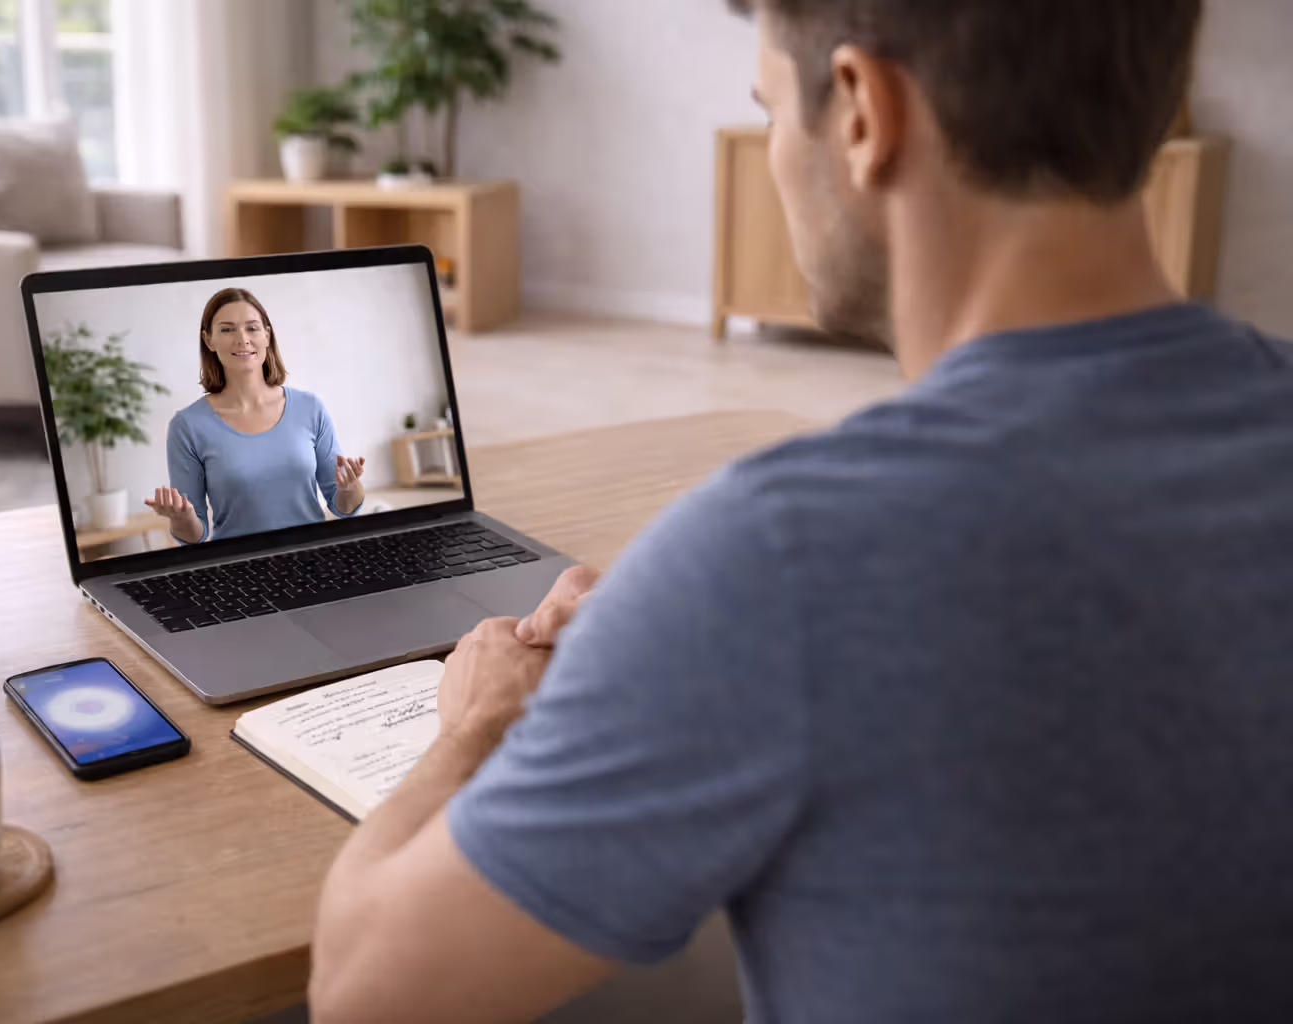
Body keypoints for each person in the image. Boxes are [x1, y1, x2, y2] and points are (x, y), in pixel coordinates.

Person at [310, 1, 1293, 1021]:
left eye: (770, 107)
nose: (777, 149)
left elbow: (364, 994)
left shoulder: (779, 556)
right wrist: (676, 639)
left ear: (863, 112)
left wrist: (477, 723)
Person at [146, 287, 366, 543]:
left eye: (252, 328)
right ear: (209, 340)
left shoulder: (311, 408)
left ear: (267, 335)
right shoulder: (187, 426)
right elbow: (196, 536)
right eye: (227, 330)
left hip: (312, 557)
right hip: (238, 563)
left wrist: (350, 489)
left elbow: (343, 507)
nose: (242, 339)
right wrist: (182, 519)